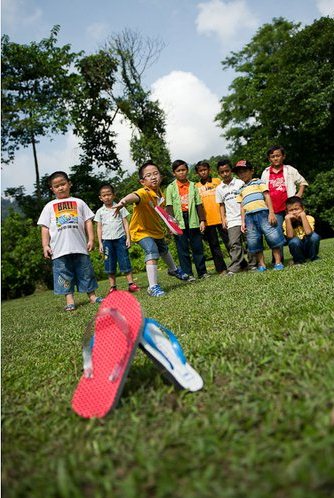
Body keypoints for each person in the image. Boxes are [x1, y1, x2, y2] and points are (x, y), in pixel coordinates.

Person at [112, 161, 189, 297]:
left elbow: (163, 212)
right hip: (141, 231)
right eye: (149, 175)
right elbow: (134, 196)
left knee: (164, 249)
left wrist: (171, 223)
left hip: (155, 229)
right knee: (152, 250)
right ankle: (153, 287)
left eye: (156, 174)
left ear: (161, 177)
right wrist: (123, 201)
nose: (153, 177)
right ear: (142, 181)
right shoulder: (144, 192)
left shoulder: (160, 194)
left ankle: (173, 269)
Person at [37, 171, 103, 311]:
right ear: (52, 189)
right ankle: (70, 300)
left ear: (69, 184)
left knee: (86, 272)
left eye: (63, 184)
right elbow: (45, 227)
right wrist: (45, 245)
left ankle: (92, 296)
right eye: (56, 186)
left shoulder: (79, 202)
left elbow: (88, 221)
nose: (60, 188)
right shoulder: (49, 206)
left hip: (79, 246)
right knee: (64, 274)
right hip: (59, 250)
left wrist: (91, 239)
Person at [234, 160, 285, 272]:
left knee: (273, 237)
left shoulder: (259, 182)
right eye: (240, 173)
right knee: (254, 241)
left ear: (251, 171)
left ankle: (278, 262)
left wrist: (271, 212)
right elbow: (242, 206)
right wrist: (243, 222)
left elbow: (267, 196)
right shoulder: (240, 189)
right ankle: (261, 265)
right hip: (249, 218)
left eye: (244, 171)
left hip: (263, 214)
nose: (242, 174)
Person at [261, 145, 309, 262]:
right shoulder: (266, 172)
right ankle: (278, 260)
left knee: (296, 231)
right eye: (273, 156)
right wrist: (269, 211)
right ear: (269, 159)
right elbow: (263, 191)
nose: (276, 158)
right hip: (274, 210)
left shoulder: (289, 170)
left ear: (283, 156)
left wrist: (298, 196)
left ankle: (300, 256)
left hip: (290, 208)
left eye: (278, 155)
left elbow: (302, 182)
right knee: (275, 235)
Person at [165, 159, 209, 281]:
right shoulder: (170, 187)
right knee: (182, 249)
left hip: (193, 218)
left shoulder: (193, 185)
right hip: (178, 221)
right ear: (174, 173)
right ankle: (188, 274)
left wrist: (202, 220)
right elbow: (169, 206)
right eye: (178, 171)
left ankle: (202, 272)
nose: (182, 173)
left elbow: (199, 204)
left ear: (187, 170)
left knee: (197, 247)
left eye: (183, 170)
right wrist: (171, 224)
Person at [94, 184, 140, 294]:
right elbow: (99, 227)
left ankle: (131, 284)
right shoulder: (100, 211)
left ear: (113, 195)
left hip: (120, 239)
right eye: (104, 195)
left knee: (125, 261)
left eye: (109, 194)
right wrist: (100, 243)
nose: (107, 197)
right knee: (109, 263)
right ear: (100, 198)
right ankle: (113, 287)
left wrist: (128, 238)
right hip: (107, 241)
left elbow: (125, 223)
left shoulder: (120, 207)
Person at [216, 159, 257, 275]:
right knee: (234, 243)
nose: (225, 174)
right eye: (222, 172)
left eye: (227, 171)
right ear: (219, 174)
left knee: (250, 241)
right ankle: (235, 266)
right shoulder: (219, 189)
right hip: (232, 220)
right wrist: (223, 219)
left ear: (231, 171)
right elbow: (221, 205)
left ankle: (253, 264)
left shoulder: (240, 183)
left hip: (246, 216)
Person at [195, 161, 228, 275]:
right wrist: (201, 220)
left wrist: (226, 216)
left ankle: (240, 263)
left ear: (209, 170)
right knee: (214, 246)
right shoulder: (196, 187)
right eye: (200, 170)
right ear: (197, 173)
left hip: (221, 217)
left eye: (205, 169)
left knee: (229, 242)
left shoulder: (217, 181)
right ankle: (221, 269)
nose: (203, 172)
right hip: (208, 220)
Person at [283, 196, 320, 264]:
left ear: (303, 209)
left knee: (314, 236)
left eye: (297, 209)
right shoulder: (286, 222)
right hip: (297, 249)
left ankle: (313, 258)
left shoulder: (309, 218)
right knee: (294, 241)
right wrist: (288, 220)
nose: (294, 212)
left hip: (308, 247)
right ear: (287, 212)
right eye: (291, 210)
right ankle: (299, 260)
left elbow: (309, 233)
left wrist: (303, 216)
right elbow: (290, 236)